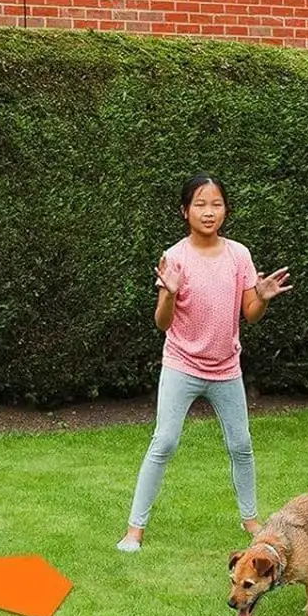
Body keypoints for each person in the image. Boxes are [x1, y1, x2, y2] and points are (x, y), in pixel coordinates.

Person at [116, 175, 291, 551]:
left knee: (241, 444)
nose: (209, 211)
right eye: (200, 204)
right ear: (185, 211)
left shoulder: (239, 255)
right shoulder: (174, 257)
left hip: (227, 367)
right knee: (163, 442)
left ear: (225, 209)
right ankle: (134, 530)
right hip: (181, 364)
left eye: (216, 204)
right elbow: (162, 323)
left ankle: (251, 520)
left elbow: (250, 313)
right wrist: (169, 294)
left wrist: (261, 297)